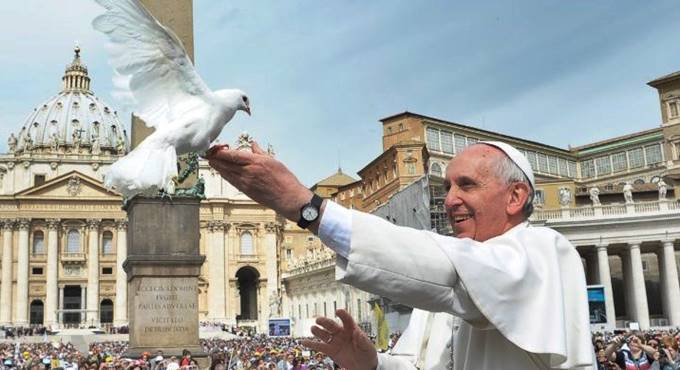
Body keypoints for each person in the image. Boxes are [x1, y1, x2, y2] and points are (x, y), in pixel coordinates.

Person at [207, 141, 593, 370]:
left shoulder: (545, 251)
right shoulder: (448, 288)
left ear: (515, 197)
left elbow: (450, 270)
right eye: (447, 186)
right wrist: (372, 362)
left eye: (467, 185)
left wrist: (309, 209)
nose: (451, 198)